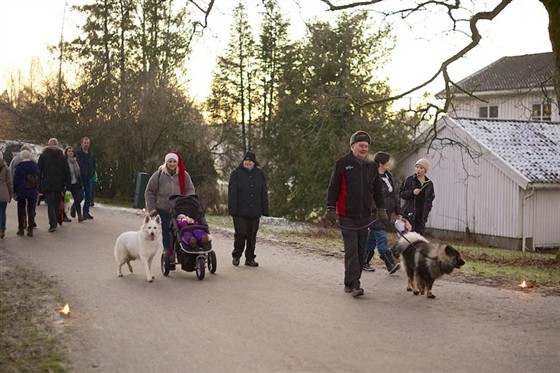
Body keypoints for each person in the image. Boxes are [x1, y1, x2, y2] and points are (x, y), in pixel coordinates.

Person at [325, 131, 388, 297]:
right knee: (352, 250)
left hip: (365, 216)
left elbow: (378, 191)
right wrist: (330, 209)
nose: (364, 149)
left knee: (360, 251)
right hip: (347, 215)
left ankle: (349, 282)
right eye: (361, 145)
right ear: (353, 146)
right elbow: (333, 188)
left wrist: (381, 209)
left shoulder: (372, 167)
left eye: (366, 146)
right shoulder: (342, 164)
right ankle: (355, 285)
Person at [145, 151, 195, 256]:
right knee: (167, 231)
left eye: (174, 161)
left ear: (177, 162)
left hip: (179, 209)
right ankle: (168, 251)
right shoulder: (158, 175)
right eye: (170, 161)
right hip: (163, 209)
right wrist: (152, 208)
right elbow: (149, 191)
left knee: (181, 229)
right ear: (166, 162)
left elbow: (190, 190)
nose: (172, 164)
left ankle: (182, 249)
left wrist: (188, 202)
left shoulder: (184, 175)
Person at [227, 151, 269, 267]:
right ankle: (236, 255)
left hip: (255, 210)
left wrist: (264, 209)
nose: (248, 162)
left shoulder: (259, 173)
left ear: (254, 162)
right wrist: (232, 209)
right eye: (246, 160)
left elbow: (263, 192)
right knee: (241, 233)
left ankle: (250, 258)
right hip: (239, 211)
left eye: (250, 160)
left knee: (252, 235)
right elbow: (232, 193)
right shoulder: (236, 173)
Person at [363, 151, 401, 274]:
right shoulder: (372, 176)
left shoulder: (388, 176)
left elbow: (393, 195)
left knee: (372, 239)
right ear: (380, 163)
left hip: (387, 213)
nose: (389, 163)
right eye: (387, 161)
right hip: (375, 213)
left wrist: (398, 211)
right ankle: (390, 263)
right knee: (381, 238)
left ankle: (363, 261)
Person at [38, 138, 71, 233]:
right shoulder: (62, 157)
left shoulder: (44, 156)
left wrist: (39, 185)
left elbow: (39, 171)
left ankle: (53, 223)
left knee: (50, 204)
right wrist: (68, 185)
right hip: (59, 183)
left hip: (48, 183)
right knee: (57, 203)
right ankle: (56, 219)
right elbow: (67, 171)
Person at [399, 158, 435, 236]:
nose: (418, 169)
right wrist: (412, 192)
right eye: (417, 167)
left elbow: (430, 199)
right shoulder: (409, 180)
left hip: (421, 216)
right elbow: (401, 193)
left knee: (419, 238)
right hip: (409, 214)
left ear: (425, 170)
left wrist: (426, 212)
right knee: (408, 236)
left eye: (421, 168)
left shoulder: (429, 184)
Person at [13, 150, 40, 237]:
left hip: (21, 191)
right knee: (31, 210)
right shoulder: (34, 166)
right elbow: (38, 176)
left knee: (21, 210)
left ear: (21, 157)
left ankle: (21, 229)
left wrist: (14, 190)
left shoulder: (19, 167)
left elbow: (15, 180)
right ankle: (30, 229)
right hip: (32, 190)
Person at [75, 137, 96, 220]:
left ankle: (86, 212)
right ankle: (74, 208)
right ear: (82, 144)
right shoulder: (78, 153)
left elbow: (93, 164)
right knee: (80, 195)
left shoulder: (91, 154)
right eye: (85, 143)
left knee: (89, 195)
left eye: (87, 143)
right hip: (80, 177)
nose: (86, 145)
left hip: (89, 177)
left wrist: (92, 172)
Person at [65, 146, 85, 222]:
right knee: (66, 200)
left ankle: (80, 216)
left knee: (77, 199)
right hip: (68, 184)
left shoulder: (75, 161)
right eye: (69, 151)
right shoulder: (65, 161)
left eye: (72, 151)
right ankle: (65, 215)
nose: (71, 153)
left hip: (75, 183)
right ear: (66, 153)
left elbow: (78, 172)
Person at [0, 151, 14, 239]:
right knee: (2, 212)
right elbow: (9, 182)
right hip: (3, 193)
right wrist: (10, 194)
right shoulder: (5, 167)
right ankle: (2, 229)